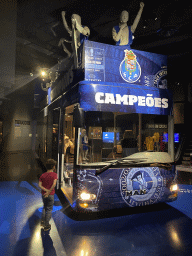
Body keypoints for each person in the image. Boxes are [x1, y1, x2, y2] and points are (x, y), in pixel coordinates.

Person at [39, 159, 58, 231]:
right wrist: (49, 191)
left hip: (44, 194)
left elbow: (40, 185)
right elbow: (54, 184)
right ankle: (46, 225)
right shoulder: (54, 175)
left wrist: (46, 191)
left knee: (44, 207)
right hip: (50, 195)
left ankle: (43, 222)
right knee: (49, 209)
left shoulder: (42, 175)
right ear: (53, 167)